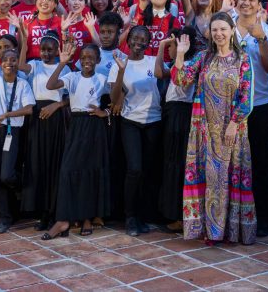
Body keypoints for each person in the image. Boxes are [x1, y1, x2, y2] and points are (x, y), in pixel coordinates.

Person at [171, 13, 256, 245]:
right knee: (211, 178)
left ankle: (232, 230)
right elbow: (180, 80)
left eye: (223, 29)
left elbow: (246, 97)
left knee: (229, 177)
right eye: (215, 30)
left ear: (231, 31)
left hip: (232, 129)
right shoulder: (203, 57)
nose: (219, 34)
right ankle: (211, 230)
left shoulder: (243, 59)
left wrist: (233, 124)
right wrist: (180, 53)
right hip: (205, 129)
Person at [45, 42, 109, 238]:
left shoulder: (102, 79)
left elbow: (119, 98)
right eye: (83, 58)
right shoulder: (71, 76)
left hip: (94, 126)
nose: (86, 61)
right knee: (67, 171)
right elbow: (50, 85)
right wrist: (62, 63)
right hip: (76, 124)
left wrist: (104, 112)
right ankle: (63, 220)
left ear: (98, 60)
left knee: (90, 171)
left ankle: (87, 218)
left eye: (91, 58)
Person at [231, 0, 268, 237]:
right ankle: (231, 216)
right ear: (236, 1)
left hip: (258, 105)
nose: (246, 3)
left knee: (258, 164)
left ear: (260, 5)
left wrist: (260, 39)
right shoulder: (225, 26)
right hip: (228, 106)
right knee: (230, 163)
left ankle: (260, 219)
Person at [109, 25, 162, 237]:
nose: (138, 42)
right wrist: (122, 70)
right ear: (128, 40)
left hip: (154, 121)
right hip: (130, 121)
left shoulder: (153, 61)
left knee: (147, 171)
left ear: (148, 43)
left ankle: (141, 215)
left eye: (143, 39)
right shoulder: (119, 62)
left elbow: (167, 74)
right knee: (134, 169)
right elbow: (114, 99)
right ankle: (129, 216)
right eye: (134, 38)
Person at [21, 31, 70, 232]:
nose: (46, 53)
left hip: (55, 119)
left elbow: (71, 97)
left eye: (50, 50)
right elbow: (20, 65)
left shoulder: (65, 68)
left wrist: (56, 106)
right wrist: (23, 39)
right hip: (36, 119)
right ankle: (41, 213)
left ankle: (52, 213)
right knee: (37, 164)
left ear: (57, 50)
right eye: (43, 49)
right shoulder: (35, 65)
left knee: (53, 165)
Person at [0, 46, 35, 233]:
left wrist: (6, 114)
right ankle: (3, 218)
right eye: (5, 60)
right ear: (0, 62)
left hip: (12, 131)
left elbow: (29, 108)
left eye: (13, 60)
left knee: (6, 175)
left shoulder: (22, 84)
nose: (9, 63)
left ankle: (26, 183)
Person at [157, 29, 198, 232]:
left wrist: (179, 52)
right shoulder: (176, 64)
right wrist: (161, 46)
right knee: (171, 162)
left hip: (182, 115)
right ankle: (173, 214)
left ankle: (180, 216)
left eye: (172, 45)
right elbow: (159, 72)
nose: (170, 48)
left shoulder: (189, 65)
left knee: (178, 163)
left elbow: (181, 80)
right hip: (172, 112)